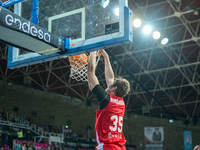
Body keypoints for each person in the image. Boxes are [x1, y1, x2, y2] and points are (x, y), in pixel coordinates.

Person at [87, 50, 130, 150]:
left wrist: (92, 51)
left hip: (107, 146)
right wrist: (106, 57)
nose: (109, 83)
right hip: (119, 147)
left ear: (114, 88)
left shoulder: (106, 100)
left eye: (112, 83)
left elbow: (90, 73)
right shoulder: (121, 103)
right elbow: (110, 78)